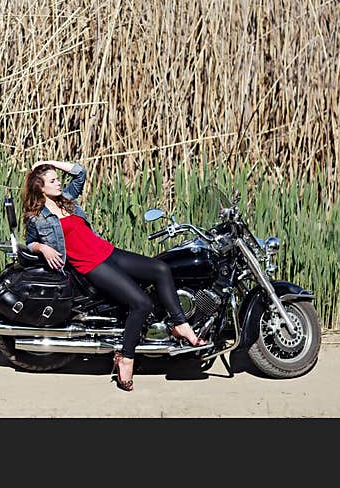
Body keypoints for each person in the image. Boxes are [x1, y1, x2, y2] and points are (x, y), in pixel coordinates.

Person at [22, 159, 207, 392]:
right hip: (91, 265)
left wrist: (49, 163)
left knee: (161, 269)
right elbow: (29, 243)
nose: (58, 183)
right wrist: (43, 248)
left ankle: (180, 324)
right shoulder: (38, 217)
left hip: (108, 252)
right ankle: (126, 358)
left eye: (57, 179)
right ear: (40, 188)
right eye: (52, 181)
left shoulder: (66, 199)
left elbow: (80, 173)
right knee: (141, 303)